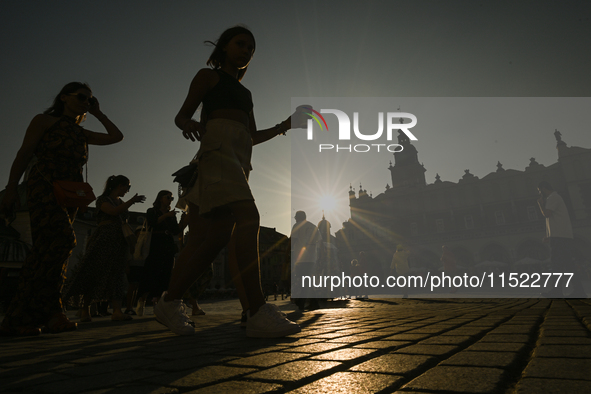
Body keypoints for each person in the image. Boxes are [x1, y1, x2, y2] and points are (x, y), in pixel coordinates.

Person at [155, 25, 307, 337]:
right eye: (240, 44)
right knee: (249, 218)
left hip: (238, 160)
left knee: (216, 237)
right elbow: (181, 114)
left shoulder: (246, 93)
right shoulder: (208, 76)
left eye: (251, 48)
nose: (246, 51)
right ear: (224, 46)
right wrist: (190, 124)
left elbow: (252, 135)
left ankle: (170, 301)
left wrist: (285, 126)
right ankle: (256, 310)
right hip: (218, 153)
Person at [0, 82, 124, 336]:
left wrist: (98, 113)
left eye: (89, 100)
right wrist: (11, 187)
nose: (85, 102)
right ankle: (37, 313)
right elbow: (23, 154)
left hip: (69, 194)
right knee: (63, 240)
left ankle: (40, 314)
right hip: (44, 185)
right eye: (81, 97)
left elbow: (116, 136)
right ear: (64, 98)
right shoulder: (44, 121)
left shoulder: (81, 132)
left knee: (50, 252)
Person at [64, 175, 145, 322]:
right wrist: (132, 201)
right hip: (104, 238)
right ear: (120, 186)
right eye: (128, 187)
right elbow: (113, 212)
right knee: (94, 272)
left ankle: (116, 311)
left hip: (118, 241)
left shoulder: (120, 201)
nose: (128, 190)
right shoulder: (103, 199)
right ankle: (85, 309)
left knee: (116, 274)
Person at [136, 190, 187, 315]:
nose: (170, 199)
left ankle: (158, 305)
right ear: (160, 198)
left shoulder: (171, 215)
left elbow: (175, 230)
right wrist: (166, 216)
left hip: (167, 244)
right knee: (151, 272)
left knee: (165, 274)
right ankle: (142, 299)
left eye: (172, 198)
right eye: (168, 197)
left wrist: (183, 221)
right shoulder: (152, 211)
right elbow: (152, 223)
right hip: (156, 243)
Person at [537, 181, 586, 298]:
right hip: (561, 236)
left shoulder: (553, 197)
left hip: (559, 238)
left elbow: (547, 214)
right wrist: (549, 235)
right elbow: (555, 220)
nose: (539, 194)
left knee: (557, 265)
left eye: (539, 191)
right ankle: (579, 291)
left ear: (543, 189)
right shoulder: (555, 197)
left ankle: (556, 292)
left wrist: (540, 204)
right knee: (568, 265)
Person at [291, 211, 322, 310]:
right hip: (312, 258)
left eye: (296, 217)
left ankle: (301, 302)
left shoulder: (297, 225)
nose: (295, 219)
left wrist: (287, 251)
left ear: (299, 217)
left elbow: (293, 240)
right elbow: (319, 242)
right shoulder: (313, 227)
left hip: (301, 258)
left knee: (303, 280)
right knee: (306, 280)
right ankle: (313, 302)